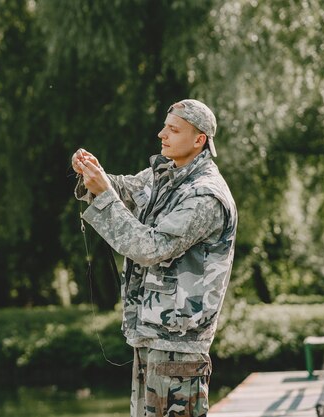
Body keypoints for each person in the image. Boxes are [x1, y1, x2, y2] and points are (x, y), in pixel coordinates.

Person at [71, 99, 237, 417]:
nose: (162, 134)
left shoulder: (204, 196)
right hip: (152, 335)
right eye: (165, 126)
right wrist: (94, 174)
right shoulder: (162, 176)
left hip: (180, 344)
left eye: (173, 129)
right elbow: (124, 191)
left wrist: (104, 194)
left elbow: (151, 248)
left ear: (199, 139)